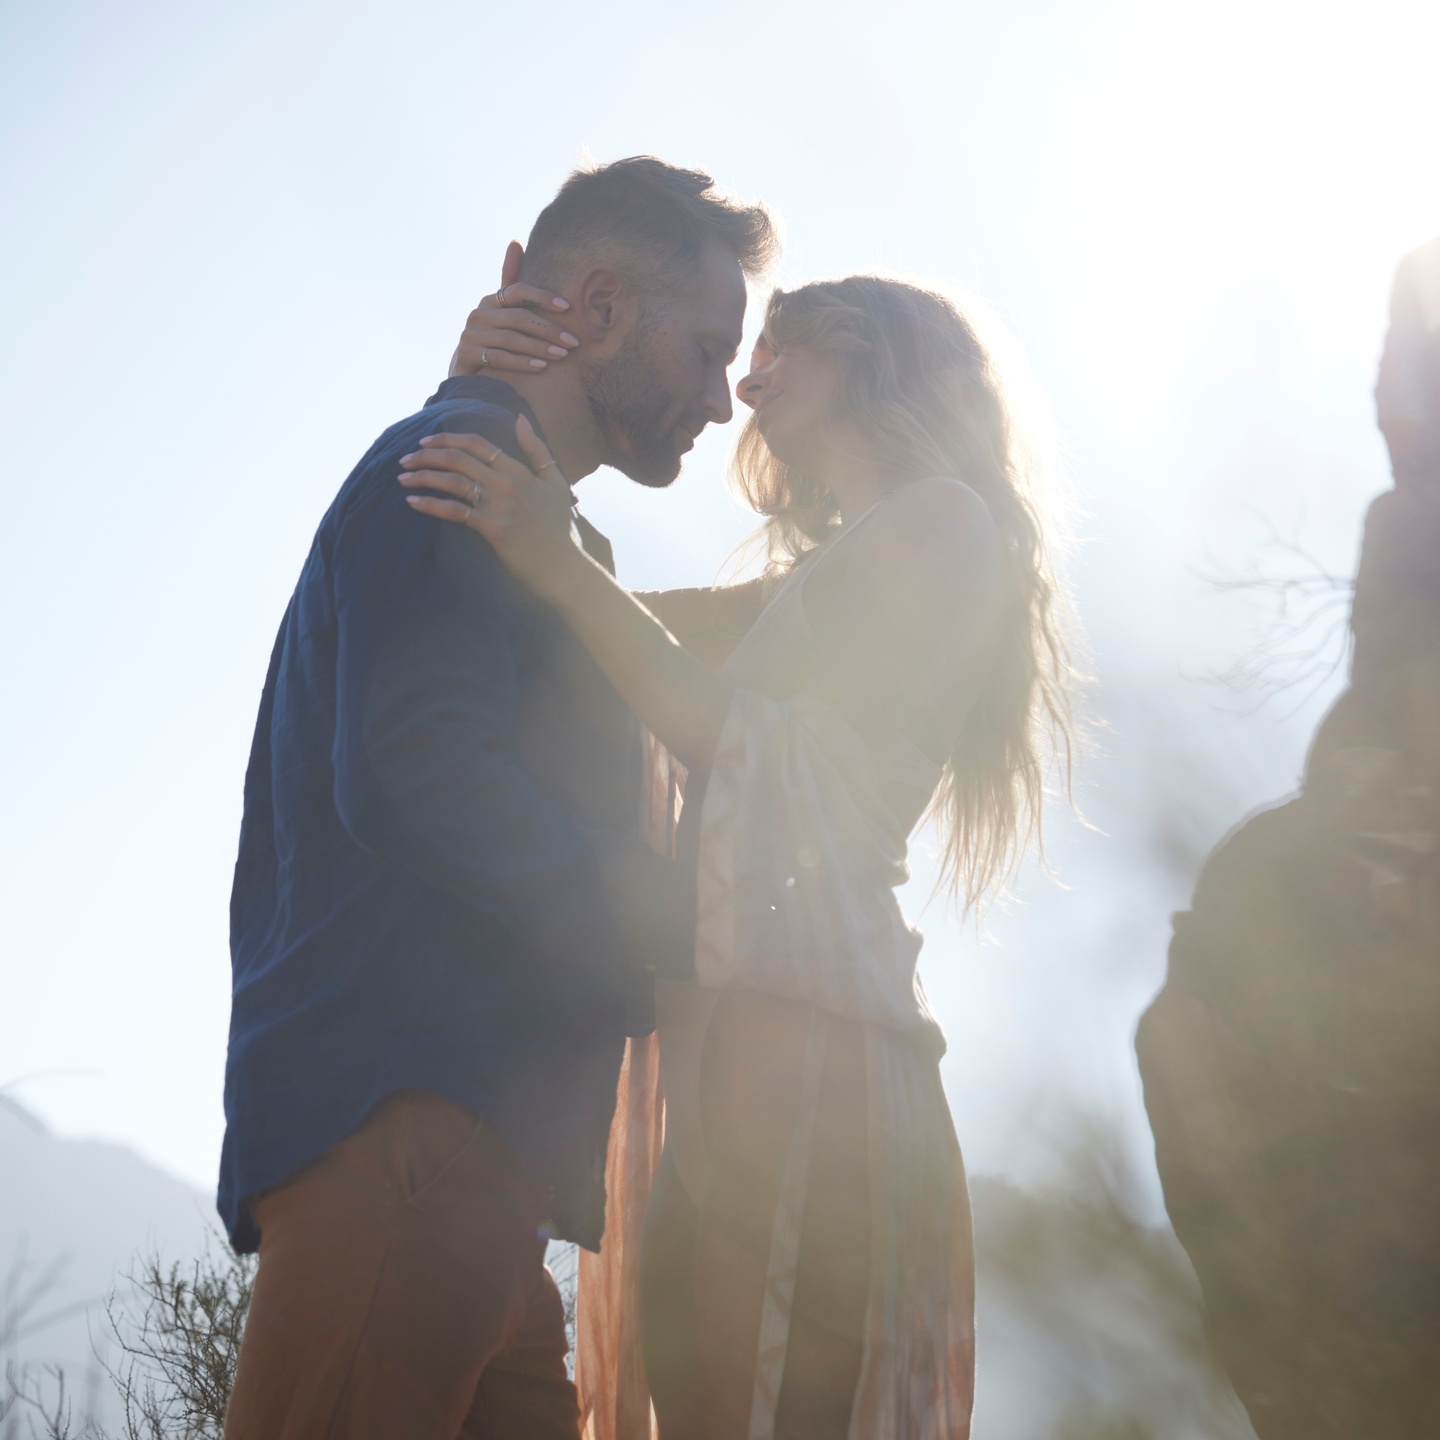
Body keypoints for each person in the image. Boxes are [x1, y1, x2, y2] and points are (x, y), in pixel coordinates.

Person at [405, 270, 1075, 1439]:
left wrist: (556, 561)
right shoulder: (819, 577)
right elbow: (586, 619)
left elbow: (756, 740)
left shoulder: (944, 523)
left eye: (780, 350)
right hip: (733, 1052)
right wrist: (485, 388)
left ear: (870, 361)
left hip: (821, 1048)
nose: (748, 386)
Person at [219, 156, 777, 1440]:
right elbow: (421, 766)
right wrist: (670, 918)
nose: (718, 397)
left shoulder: (522, 511)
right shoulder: (456, 470)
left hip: (474, 1171)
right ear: (600, 305)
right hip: (414, 1138)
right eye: (705, 351)